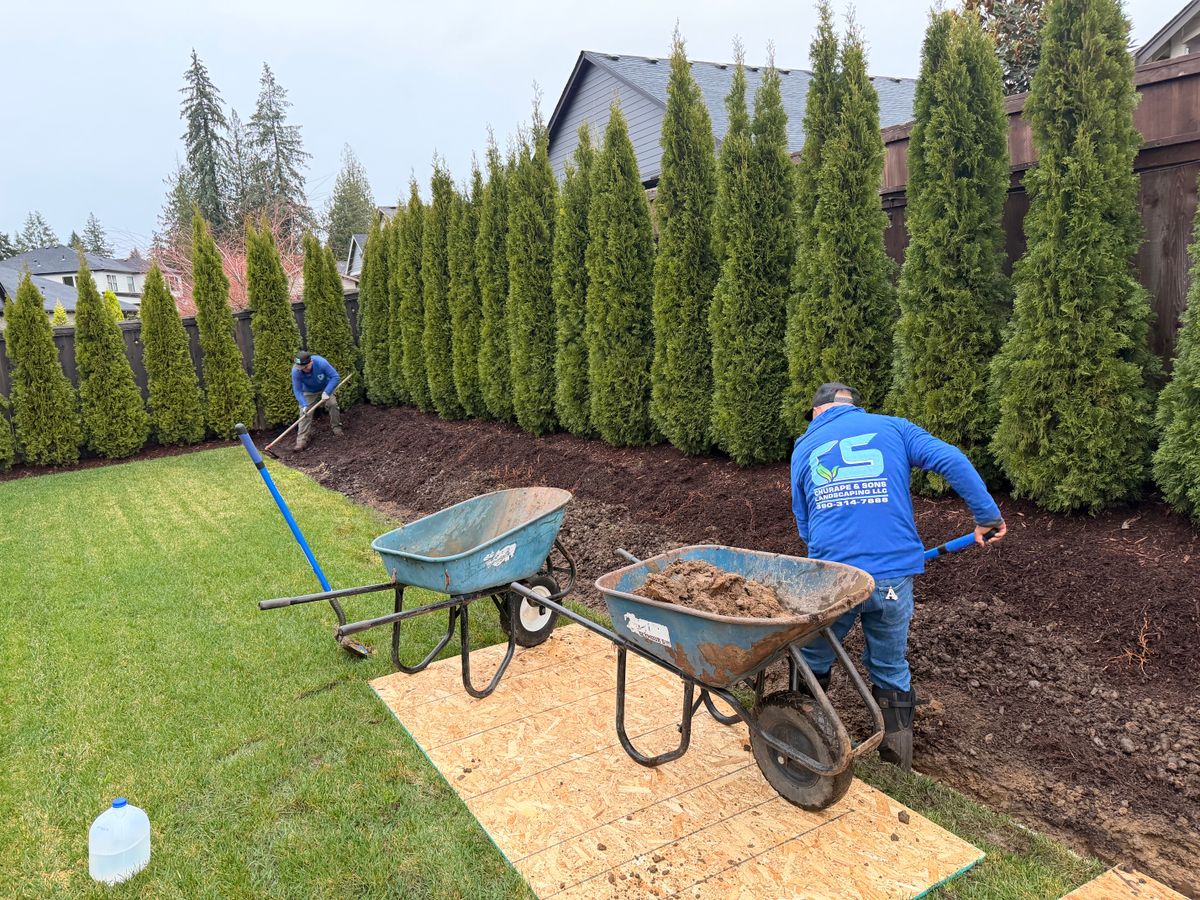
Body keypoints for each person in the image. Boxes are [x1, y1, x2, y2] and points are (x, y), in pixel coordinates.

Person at [790, 382, 1006, 771]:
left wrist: (827, 553)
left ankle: (804, 738)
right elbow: (952, 458)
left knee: (813, 653)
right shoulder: (894, 427)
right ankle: (897, 762)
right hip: (892, 574)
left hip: (836, 576)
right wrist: (987, 517)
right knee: (890, 664)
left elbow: (804, 521)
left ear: (818, 411)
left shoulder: (805, 446)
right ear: (854, 407)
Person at [291, 351, 342, 450]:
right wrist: (304, 404)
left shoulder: (321, 363)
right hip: (308, 391)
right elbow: (297, 390)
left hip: (325, 387)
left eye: (305, 367)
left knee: (332, 404)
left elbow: (335, 377)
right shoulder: (296, 371)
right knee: (304, 412)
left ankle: (337, 428)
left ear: (311, 362)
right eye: (301, 368)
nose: (303, 369)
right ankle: (301, 441)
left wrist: (327, 392)